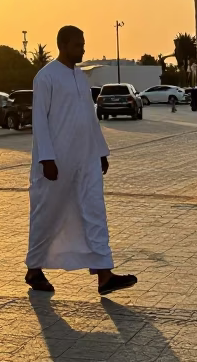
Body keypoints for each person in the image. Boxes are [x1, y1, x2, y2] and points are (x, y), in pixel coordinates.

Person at [24, 25, 137, 295]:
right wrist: (47, 159)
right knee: (48, 214)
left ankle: (105, 275)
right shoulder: (46, 77)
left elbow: (89, 117)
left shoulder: (80, 77)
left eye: (83, 44)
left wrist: (100, 151)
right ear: (63, 45)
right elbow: (39, 120)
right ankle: (33, 269)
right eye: (78, 45)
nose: (83, 49)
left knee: (95, 210)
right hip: (56, 163)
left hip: (86, 158)